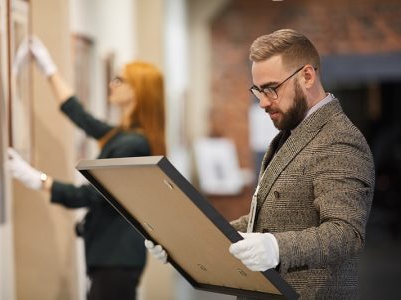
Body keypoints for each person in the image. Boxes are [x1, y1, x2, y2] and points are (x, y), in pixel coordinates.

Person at [146, 29, 374, 299]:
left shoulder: (338, 140)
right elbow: (263, 222)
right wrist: (186, 242)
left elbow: (346, 233)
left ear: (308, 76)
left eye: (272, 89)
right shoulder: (291, 134)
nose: (264, 102)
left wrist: (277, 247)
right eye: (258, 90)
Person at [7, 37, 166, 300]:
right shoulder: (123, 135)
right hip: (113, 257)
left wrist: (35, 178)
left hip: (116, 258)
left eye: (119, 80)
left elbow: (91, 196)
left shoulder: (133, 144)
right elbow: (80, 116)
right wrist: (49, 69)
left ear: (137, 91)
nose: (111, 84)